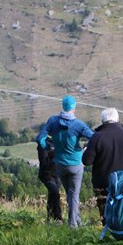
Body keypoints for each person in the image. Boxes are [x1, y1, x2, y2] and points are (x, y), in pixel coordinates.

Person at [36, 95, 94, 228]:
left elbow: (40, 138)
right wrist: (85, 149)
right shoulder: (78, 125)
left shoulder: (53, 121)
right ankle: (73, 225)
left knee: (70, 193)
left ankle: (77, 219)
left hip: (60, 164)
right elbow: (94, 138)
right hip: (75, 163)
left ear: (63, 106)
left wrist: (47, 147)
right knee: (74, 194)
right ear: (74, 107)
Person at [82, 108, 123, 222]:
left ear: (102, 120)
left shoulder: (97, 137)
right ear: (117, 119)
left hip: (103, 183)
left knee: (106, 214)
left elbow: (86, 161)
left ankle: (107, 233)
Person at [36, 136, 63, 222]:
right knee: (55, 193)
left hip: (57, 173)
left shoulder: (59, 141)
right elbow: (44, 163)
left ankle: (50, 218)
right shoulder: (44, 145)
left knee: (53, 195)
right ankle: (58, 217)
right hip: (46, 173)